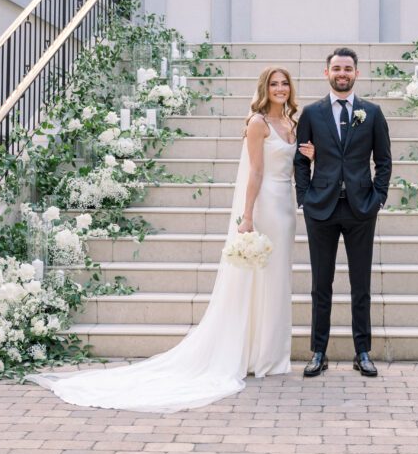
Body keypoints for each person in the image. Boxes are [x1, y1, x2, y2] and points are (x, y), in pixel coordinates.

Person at [28, 67, 300, 412]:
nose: (280, 88)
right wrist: (247, 216)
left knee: (277, 279)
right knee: (256, 279)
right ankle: (253, 353)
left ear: (291, 89)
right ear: (265, 89)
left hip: (286, 208)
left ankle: (271, 354)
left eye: (284, 83)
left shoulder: (292, 124)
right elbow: (256, 171)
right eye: (274, 84)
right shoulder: (257, 123)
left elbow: (292, 168)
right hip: (265, 206)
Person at [294, 47, 392, 378]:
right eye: (336, 68)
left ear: (356, 73)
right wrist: (303, 198)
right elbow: (299, 159)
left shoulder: (372, 113)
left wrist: (378, 197)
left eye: (348, 68)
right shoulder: (312, 113)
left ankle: (362, 351)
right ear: (327, 73)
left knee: (360, 283)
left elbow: (384, 160)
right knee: (321, 283)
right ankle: (318, 352)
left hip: (361, 208)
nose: (342, 73)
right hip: (320, 209)